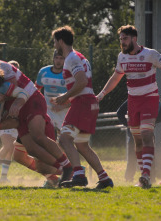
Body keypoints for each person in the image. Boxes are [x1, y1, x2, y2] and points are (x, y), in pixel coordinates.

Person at [0, 49, 73, 184]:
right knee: (30, 150)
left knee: (37, 135)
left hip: (30, 99)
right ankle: (64, 170)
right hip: (17, 106)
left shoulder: (0, 66)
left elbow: (13, 87)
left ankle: (67, 168)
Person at [96, 25, 161, 188]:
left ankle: (146, 176)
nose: (122, 42)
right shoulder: (122, 57)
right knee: (137, 141)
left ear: (134, 38)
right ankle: (144, 177)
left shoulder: (150, 54)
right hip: (133, 102)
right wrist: (102, 94)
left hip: (149, 100)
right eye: (120, 39)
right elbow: (116, 77)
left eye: (125, 39)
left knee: (147, 135)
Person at [51, 26, 113, 189]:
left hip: (83, 103)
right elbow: (83, 84)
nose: (54, 44)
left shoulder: (71, 58)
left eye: (55, 41)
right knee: (82, 145)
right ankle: (105, 178)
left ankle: (78, 175)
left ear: (61, 41)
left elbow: (82, 82)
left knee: (64, 139)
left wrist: (64, 97)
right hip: (88, 103)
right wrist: (66, 99)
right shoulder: (79, 57)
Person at [117, 100, 161, 183]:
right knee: (132, 156)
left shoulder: (153, 100)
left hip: (148, 132)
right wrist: (128, 124)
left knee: (150, 157)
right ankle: (129, 178)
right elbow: (119, 112)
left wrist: (150, 121)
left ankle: (151, 178)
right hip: (134, 133)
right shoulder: (132, 99)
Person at [0, 60, 21, 182]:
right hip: (4, 120)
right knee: (7, 145)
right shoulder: (1, 86)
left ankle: (3, 177)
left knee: (11, 149)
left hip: (15, 120)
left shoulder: (20, 86)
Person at [35, 50, 68, 135]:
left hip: (64, 111)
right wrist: (40, 105)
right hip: (47, 110)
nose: (58, 61)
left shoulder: (68, 74)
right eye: (56, 58)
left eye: (61, 58)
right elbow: (36, 91)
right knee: (46, 136)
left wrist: (62, 106)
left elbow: (76, 96)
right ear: (53, 59)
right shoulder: (43, 72)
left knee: (64, 140)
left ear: (65, 60)